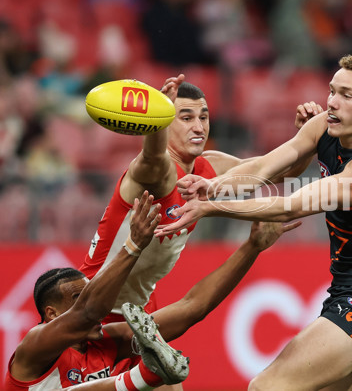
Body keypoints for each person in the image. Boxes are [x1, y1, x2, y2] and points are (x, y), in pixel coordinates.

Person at [155, 53, 352, 390]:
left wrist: (212, 208)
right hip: (346, 291)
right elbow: (264, 168)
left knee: (265, 387)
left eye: (347, 95)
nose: (332, 102)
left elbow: (291, 205)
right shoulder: (324, 128)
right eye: (332, 91)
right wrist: (212, 187)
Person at [79, 74, 320, 323]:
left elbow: (284, 173)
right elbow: (152, 157)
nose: (199, 127)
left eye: (203, 117)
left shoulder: (211, 166)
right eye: (186, 118)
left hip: (137, 314)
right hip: (88, 310)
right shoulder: (154, 172)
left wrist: (307, 137)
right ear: (165, 121)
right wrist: (156, 117)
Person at [5, 190, 300, 390]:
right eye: (77, 298)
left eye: (87, 292)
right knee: (155, 369)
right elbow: (88, 312)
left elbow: (192, 307)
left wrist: (252, 248)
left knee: (158, 353)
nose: (91, 302)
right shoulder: (34, 346)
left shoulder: (105, 342)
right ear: (50, 313)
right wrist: (132, 246)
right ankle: (143, 376)